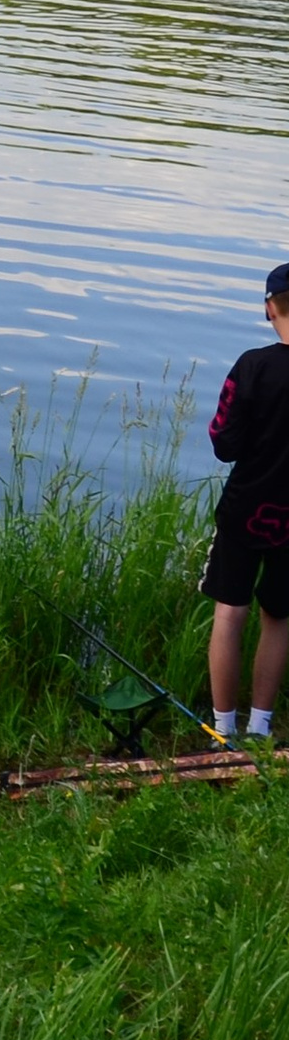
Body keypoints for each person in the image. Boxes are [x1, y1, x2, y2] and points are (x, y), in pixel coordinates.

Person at [206, 263, 289, 742]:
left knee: (230, 612)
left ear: (268, 307)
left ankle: (222, 730)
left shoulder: (252, 366)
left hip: (244, 510)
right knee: (278, 616)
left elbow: (224, 442)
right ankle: (262, 727)